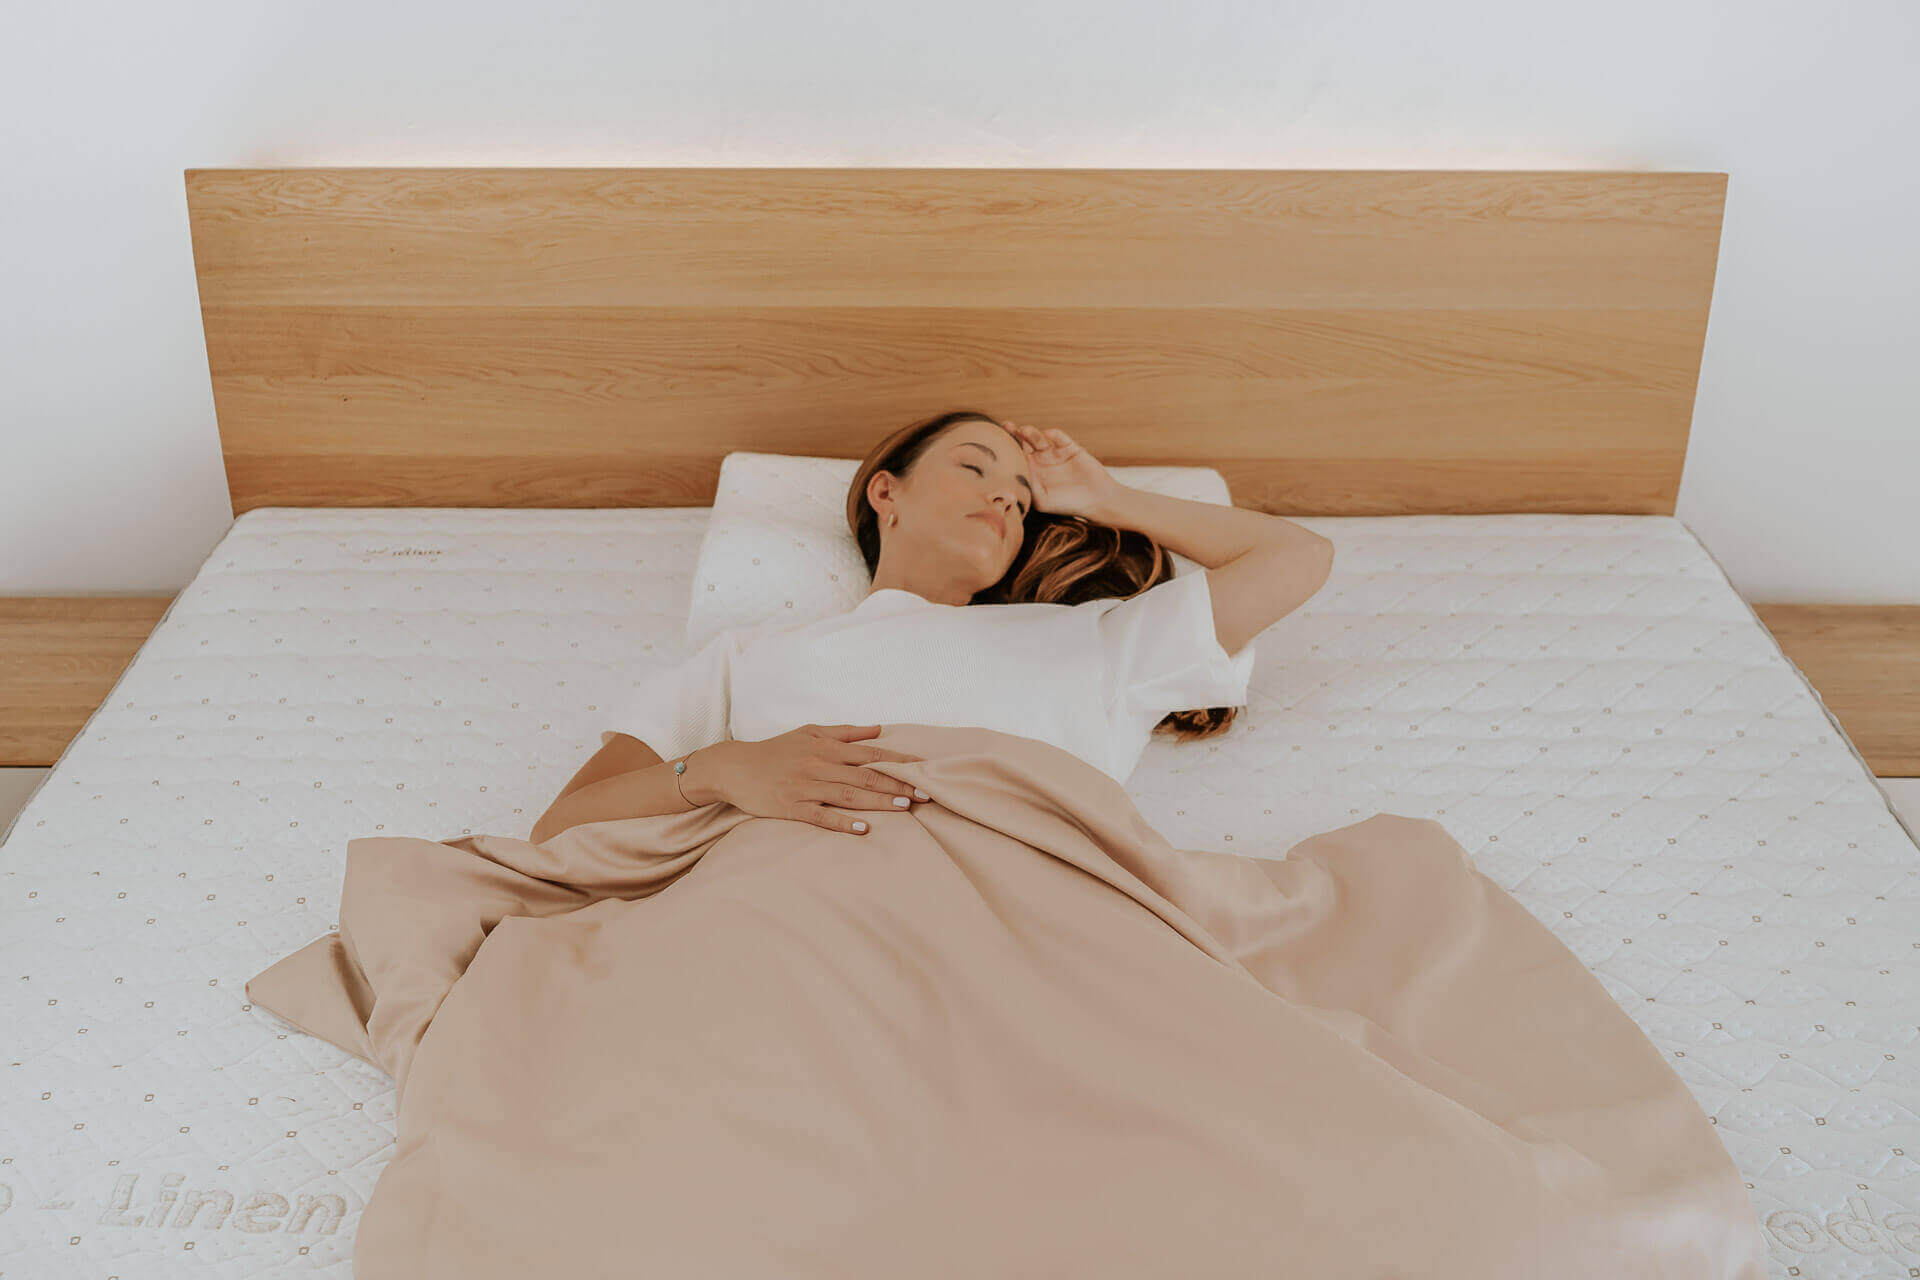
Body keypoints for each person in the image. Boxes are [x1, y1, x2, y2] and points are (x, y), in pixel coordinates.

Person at [530, 410, 1334, 845]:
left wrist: (1107, 498)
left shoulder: (1096, 641)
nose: (1004, 497)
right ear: (888, 493)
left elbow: (1295, 556)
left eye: (1023, 498)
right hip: (793, 926)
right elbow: (562, 826)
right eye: (975, 467)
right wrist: (719, 770)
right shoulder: (749, 658)